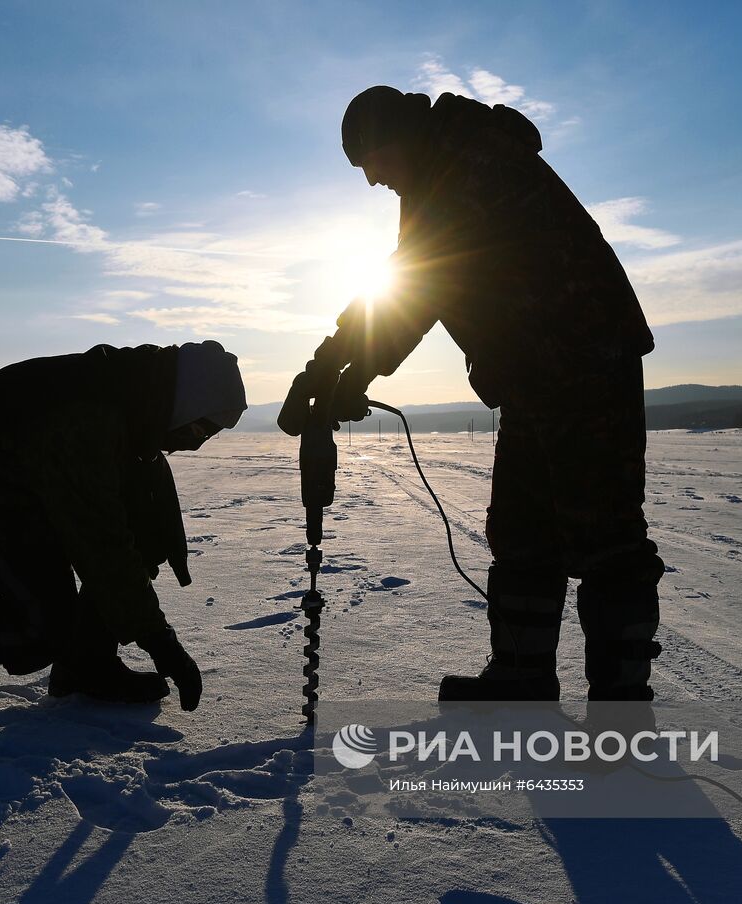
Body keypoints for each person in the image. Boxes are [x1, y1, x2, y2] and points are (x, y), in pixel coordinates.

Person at [280, 86, 665, 702]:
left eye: (371, 163)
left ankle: (620, 704)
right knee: (522, 529)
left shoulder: (470, 162)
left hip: (584, 360)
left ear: (395, 139)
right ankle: (522, 672)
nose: (373, 181)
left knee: (604, 533)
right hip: (532, 372)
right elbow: (407, 276)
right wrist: (328, 364)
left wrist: (350, 371)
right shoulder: (439, 171)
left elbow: (422, 282)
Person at [0, 341, 246, 733]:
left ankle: (89, 666)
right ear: (186, 401)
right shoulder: (89, 416)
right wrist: (161, 642)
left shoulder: (137, 399)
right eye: (200, 428)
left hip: (22, 488)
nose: (195, 443)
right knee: (45, 622)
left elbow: (142, 516)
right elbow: (99, 541)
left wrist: (157, 548)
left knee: (132, 536)